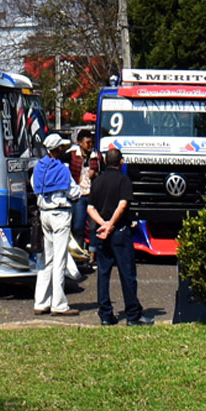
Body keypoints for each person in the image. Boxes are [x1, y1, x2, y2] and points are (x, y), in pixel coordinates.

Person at [85, 145, 145, 325]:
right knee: (127, 273)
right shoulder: (123, 180)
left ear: (104, 161)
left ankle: (105, 314)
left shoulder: (98, 181)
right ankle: (132, 314)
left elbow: (90, 208)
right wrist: (111, 224)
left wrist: (103, 224)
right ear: (121, 162)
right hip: (119, 231)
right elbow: (122, 204)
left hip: (101, 233)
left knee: (103, 273)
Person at [31, 133, 74, 315]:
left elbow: (34, 186)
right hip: (60, 213)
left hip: (44, 214)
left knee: (45, 260)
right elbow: (73, 191)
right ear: (58, 149)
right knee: (59, 260)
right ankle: (59, 304)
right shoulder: (62, 169)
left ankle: (41, 302)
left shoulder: (38, 167)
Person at [69, 128, 98, 259]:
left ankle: (92, 254)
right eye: (87, 143)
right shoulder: (72, 155)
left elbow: (103, 174)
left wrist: (95, 174)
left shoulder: (96, 157)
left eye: (91, 143)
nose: (90, 145)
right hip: (79, 195)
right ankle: (78, 253)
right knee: (78, 226)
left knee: (93, 227)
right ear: (80, 143)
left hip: (92, 196)